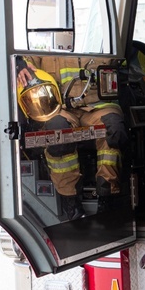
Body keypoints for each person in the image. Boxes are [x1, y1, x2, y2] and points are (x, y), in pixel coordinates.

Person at [16, 55, 128, 221]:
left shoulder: (102, 40)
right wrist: (20, 64)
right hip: (60, 109)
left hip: (99, 107)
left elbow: (122, 60)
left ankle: (107, 198)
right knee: (57, 133)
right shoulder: (48, 46)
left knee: (114, 130)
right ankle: (71, 203)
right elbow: (29, 59)